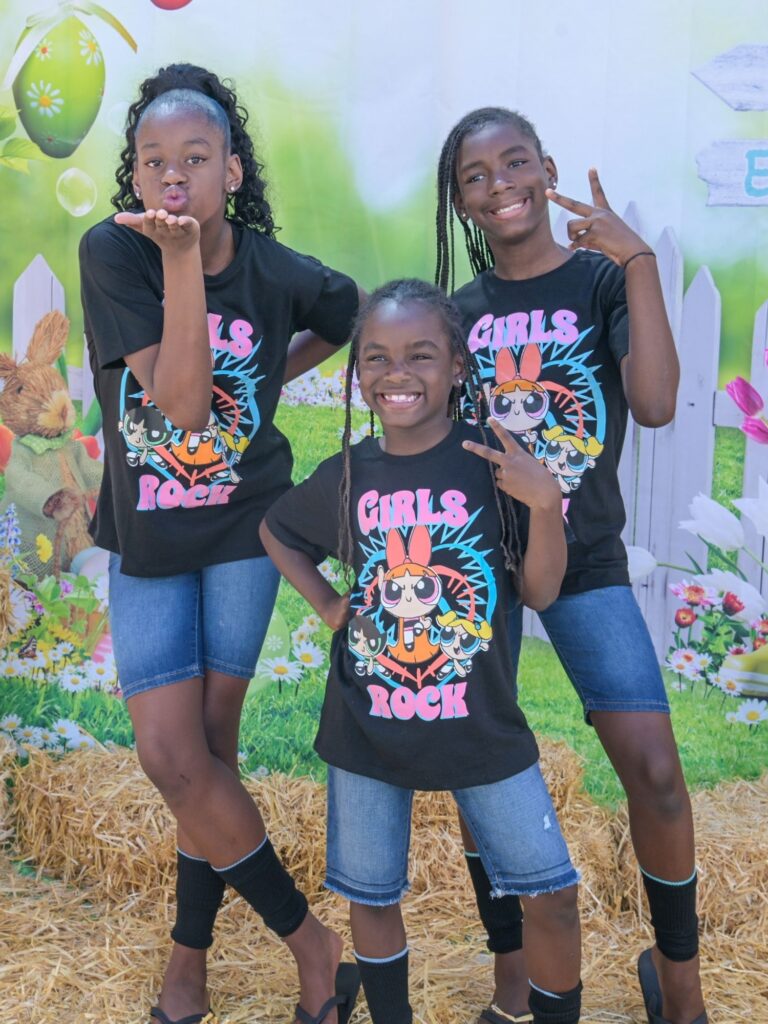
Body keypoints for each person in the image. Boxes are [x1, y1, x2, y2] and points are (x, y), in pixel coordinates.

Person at [79, 64, 362, 1024]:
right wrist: (182, 259)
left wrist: (268, 377)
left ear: (232, 171)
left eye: (195, 158)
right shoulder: (114, 253)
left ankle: (187, 961)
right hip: (149, 532)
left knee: (212, 744)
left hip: (243, 525)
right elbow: (181, 404)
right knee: (171, 754)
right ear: (135, 171)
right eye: (153, 159)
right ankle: (312, 944)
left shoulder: (273, 268)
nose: (173, 175)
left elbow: (346, 310)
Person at [435, 107, 707, 1024]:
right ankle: (513, 979)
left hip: (583, 556)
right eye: (475, 176)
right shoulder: (457, 314)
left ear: (547, 170)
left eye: (515, 163)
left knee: (655, 770)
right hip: (480, 569)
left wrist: (639, 262)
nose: (499, 185)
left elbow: (656, 404)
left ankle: (679, 983)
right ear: (461, 202)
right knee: (482, 770)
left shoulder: (599, 281)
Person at [260, 279, 583, 1024]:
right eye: (376, 356)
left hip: (481, 726)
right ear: (357, 372)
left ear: (459, 366)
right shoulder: (350, 473)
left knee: (552, 894)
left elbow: (539, 591)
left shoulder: (493, 464)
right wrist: (331, 605)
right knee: (372, 897)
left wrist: (545, 503)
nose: (396, 373)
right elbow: (277, 531)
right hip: (367, 729)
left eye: (420, 354)